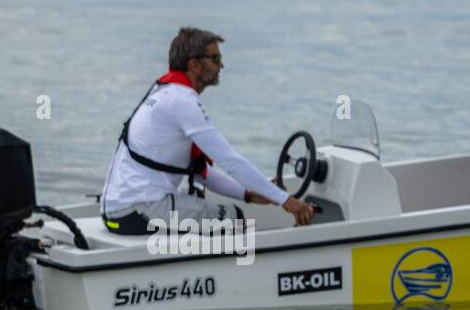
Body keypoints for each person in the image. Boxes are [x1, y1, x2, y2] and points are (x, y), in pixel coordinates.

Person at [100, 27, 316, 236]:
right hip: (140, 210)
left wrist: (247, 194)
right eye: (214, 59)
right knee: (234, 219)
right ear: (194, 64)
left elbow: (198, 171)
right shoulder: (182, 101)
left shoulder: (163, 91)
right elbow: (230, 160)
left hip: (119, 211)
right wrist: (286, 201)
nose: (221, 65)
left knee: (204, 204)